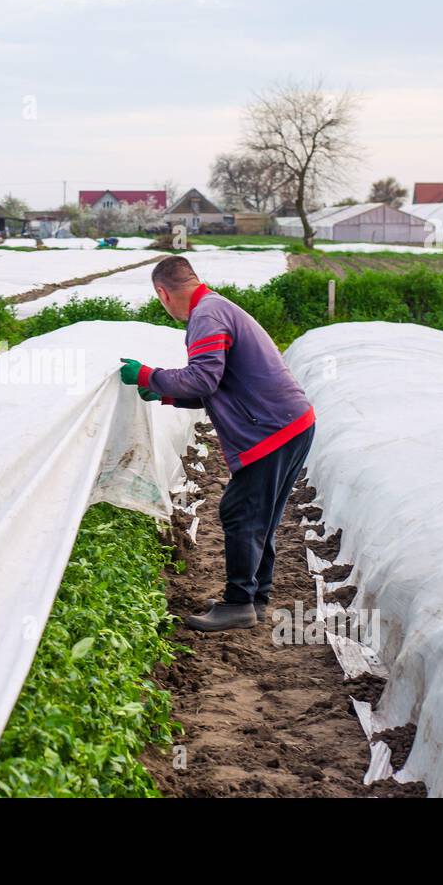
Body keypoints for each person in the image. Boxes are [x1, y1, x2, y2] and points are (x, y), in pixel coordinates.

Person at [119, 256, 315, 632]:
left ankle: (239, 603)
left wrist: (147, 374)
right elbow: (218, 385)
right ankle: (255, 599)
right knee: (260, 517)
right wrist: (164, 394)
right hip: (290, 424)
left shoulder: (206, 317)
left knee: (240, 512)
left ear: (163, 293)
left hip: (272, 429)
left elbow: (202, 380)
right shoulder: (216, 307)